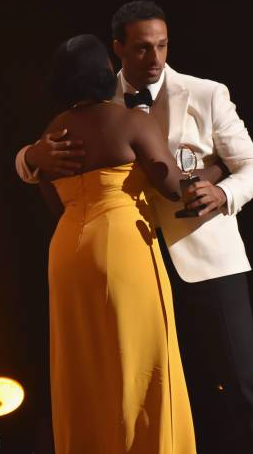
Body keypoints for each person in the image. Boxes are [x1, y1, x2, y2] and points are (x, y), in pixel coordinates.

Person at [15, 1, 253, 454]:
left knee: (243, 389)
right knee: (162, 388)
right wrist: (29, 158)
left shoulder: (208, 93)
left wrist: (223, 193)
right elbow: (37, 159)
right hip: (136, 265)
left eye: (162, 45)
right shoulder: (99, 101)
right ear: (117, 50)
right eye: (140, 49)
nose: (154, 58)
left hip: (208, 262)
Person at [38, 34, 225, 454]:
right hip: (121, 245)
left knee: (84, 365)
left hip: (67, 249)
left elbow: (52, 200)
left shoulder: (52, 132)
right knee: (137, 363)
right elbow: (176, 187)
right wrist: (215, 171)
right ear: (104, 74)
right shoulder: (130, 122)